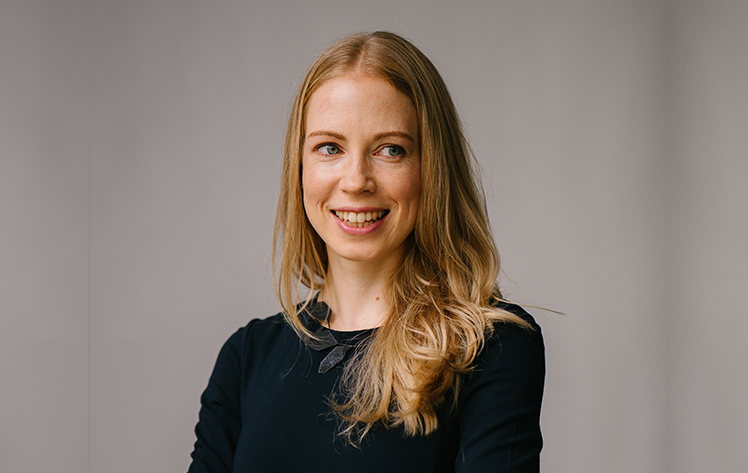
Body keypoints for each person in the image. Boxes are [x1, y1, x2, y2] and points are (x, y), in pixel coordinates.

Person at [188, 31, 545, 473]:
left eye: (390, 150)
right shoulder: (246, 357)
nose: (356, 180)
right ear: (300, 166)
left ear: (432, 168)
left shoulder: (489, 347)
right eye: (330, 148)